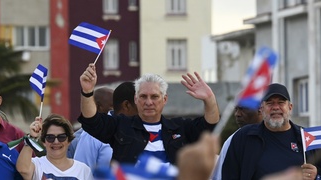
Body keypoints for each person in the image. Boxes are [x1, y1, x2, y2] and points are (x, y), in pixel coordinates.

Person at [78, 63, 220, 165]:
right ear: (135, 99)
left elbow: (209, 125)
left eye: (154, 97)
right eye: (143, 96)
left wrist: (209, 99)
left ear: (164, 99)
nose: (148, 102)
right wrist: (87, 91)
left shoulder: (180, 127)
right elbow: (92, 121)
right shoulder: (120, 125)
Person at [222, 83, 321, 179]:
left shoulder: (308, 137)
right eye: (270, 103)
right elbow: (229, 175)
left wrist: (317, 174)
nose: (276, 107)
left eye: (281, 102)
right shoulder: (244, 136)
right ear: (261, 109)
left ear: (290, 107)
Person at [16, 114, 93, 180]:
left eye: (61, 137)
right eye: (50, 137)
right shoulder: (37, 164)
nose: (56, 142)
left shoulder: (83, 170)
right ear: (44, 142)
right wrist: (32, 137)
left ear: (69, 141)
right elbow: (23, 169)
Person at [211, 105, 262, 179]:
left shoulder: (278, 136)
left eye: (243, 109)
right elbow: (220, 177)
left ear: (260, 108)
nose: (237, 114)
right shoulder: (232, 141)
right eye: (236, 109)